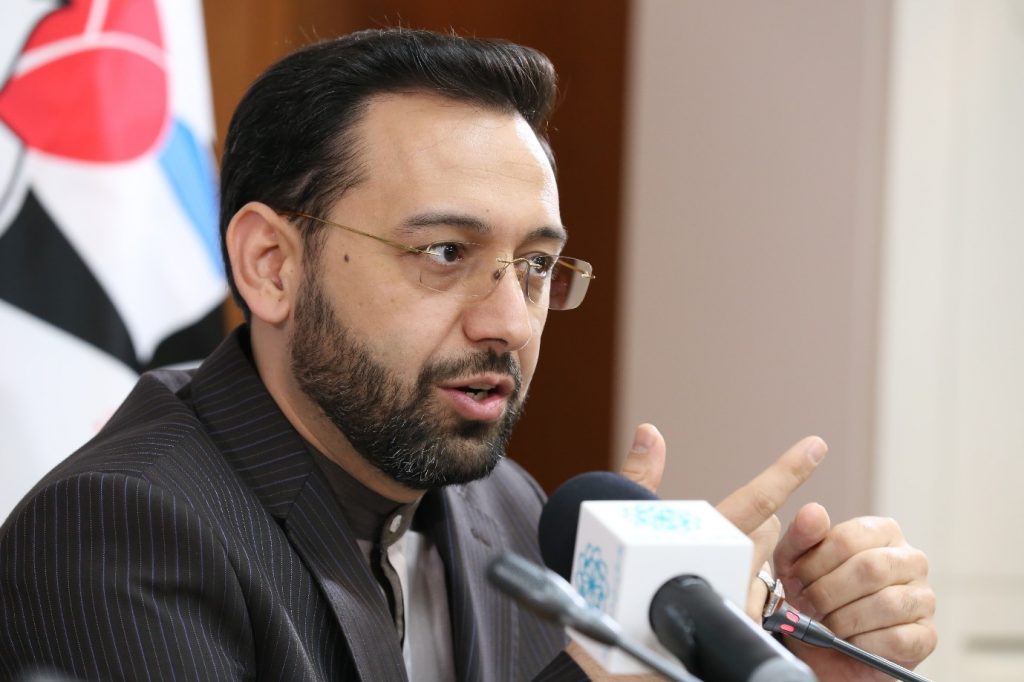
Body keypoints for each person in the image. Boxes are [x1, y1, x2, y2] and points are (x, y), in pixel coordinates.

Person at [0, 28, 936, 681]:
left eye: (535, 266)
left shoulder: (509, 509)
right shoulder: (117, 529)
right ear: (272, 265)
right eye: (446, 252)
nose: (510, 323)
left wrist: (787, 660)